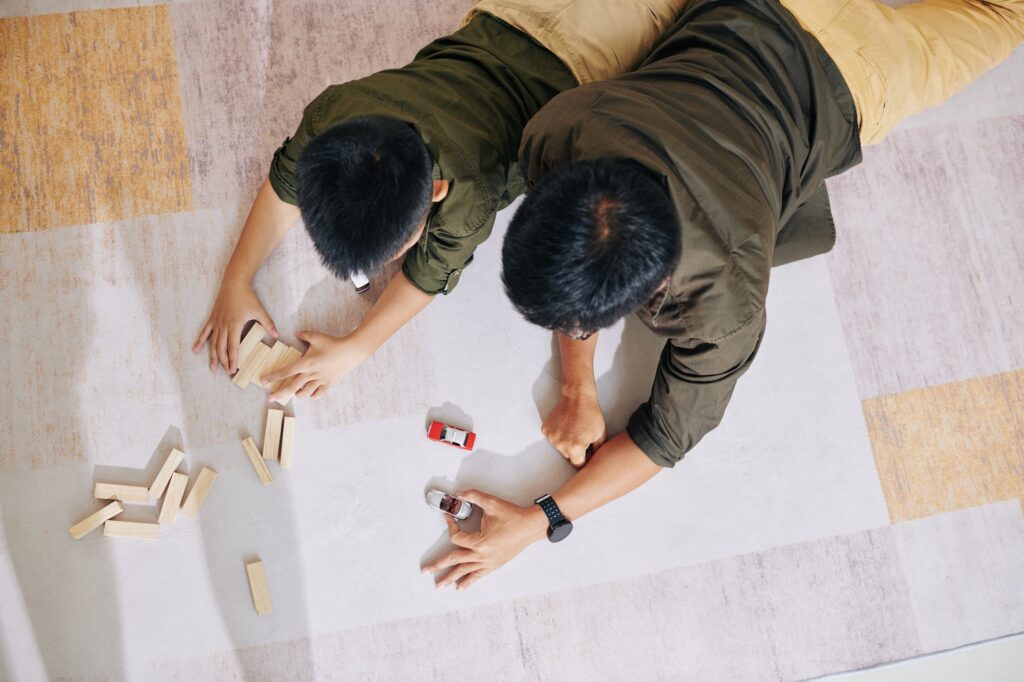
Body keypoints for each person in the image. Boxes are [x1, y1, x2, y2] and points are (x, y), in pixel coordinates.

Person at [423, 0, 1024, 590]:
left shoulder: (724, 301)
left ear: (649, 290)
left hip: (858, 67)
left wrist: (539, 520)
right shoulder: (567, 124)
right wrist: (576, 387)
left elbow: (664, 437)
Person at [191, 0, 689, 402]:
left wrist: (357, 349)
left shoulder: (470, 193)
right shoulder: (335, 112)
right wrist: (236, 279)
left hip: (597, 48)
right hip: (512, 15)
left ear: (436, 191)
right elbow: (286, 183)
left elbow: (426, 276)